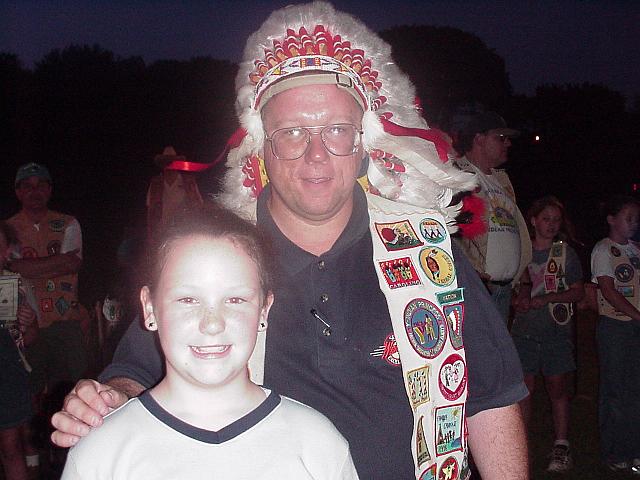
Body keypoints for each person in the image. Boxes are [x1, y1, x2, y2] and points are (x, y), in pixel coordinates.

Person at [51, 3, 529, 479]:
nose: (316, 153)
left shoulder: (429, 252)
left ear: (365, 144)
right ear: (262, 148)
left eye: (337, 130)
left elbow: (492, 400)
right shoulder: (217, 257)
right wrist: (109, 397)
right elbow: (138, 372)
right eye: (293, 132)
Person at [60, 204, 358, 479]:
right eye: (188, 299)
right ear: (150, 308)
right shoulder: (101, 452)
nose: (213, 323)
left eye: (235, 299)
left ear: (264, 309)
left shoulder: (317, 443)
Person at [511, 196, 584, 473]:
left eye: (556, 220)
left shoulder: (564, 254)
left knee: (557, 389)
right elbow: (511, 289)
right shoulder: (521, 251)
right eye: (546, 219)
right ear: (533, 221)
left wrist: (550, 298)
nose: (552, 225)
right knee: (524, 391)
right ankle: (521, 446)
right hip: (524, 333)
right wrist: (520, 300)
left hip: (556, 333)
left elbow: (578, 291)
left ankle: (561, 446)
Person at [6, 163, 88, 394]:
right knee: (25, 395)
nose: (35, 191)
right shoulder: (7, 228)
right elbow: (8, 267)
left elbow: (73, 262)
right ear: (18, 191)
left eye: (41, 185)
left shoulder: (68, 223)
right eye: (28, 186)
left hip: (64, 319)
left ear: (50, 190)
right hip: (23, 324)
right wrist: (57, 263)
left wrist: (23, 267)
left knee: (73, 392)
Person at [454, 112, 532, 322]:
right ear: (479, 139)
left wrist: (524, 282)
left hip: (504, 290)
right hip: (474, 288)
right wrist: (467, 272)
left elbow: (512, 232)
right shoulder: (456, 176)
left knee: (497, 353)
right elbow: (447, 229)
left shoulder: (502, 180)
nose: (507, 143)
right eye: (500, 137)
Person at [590, 195, 640, 474]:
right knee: (616, 392)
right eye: (628, 218)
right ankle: (615, 451)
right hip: (616, 327)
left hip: (635, 326)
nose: (634, 224)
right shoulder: (603, 250)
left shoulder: (636, 249)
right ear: (611, 219)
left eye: (636, 219)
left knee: (635, 391)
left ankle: (635, 451)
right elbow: (608, 291)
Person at [0, 222, 39, 480]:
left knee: (11, 446)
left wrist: (27, 323)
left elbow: (31, 337)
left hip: (7, 374)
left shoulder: (13, 285)